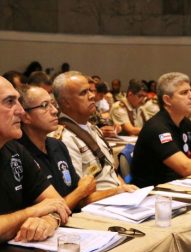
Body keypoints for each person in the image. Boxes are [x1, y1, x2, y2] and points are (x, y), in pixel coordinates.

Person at [0, 76, 70, 242]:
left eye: (18, 101)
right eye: (9, 101)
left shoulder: (14, 150)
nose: (21, 111)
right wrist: (31, 212)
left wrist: (48, 220)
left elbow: (57, 202)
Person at [51, 71, 137, 203]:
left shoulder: (92, 128)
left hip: (116, 200)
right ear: (66, 102)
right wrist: (117, 191)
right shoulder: (65, 139)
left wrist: (124, 188)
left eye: (91, 91)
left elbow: (110, 172)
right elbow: (77, 198)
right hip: (96, 207)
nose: (92, 96)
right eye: (83, 93)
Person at [18, 85, 96, 210]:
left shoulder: (57, 145)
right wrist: (81, 191)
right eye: (44, 105)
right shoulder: (19, 154)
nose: (54, 110)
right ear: (25, 116)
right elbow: (49, 209)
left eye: (52, 104)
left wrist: (118, 191)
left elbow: (78, 198)